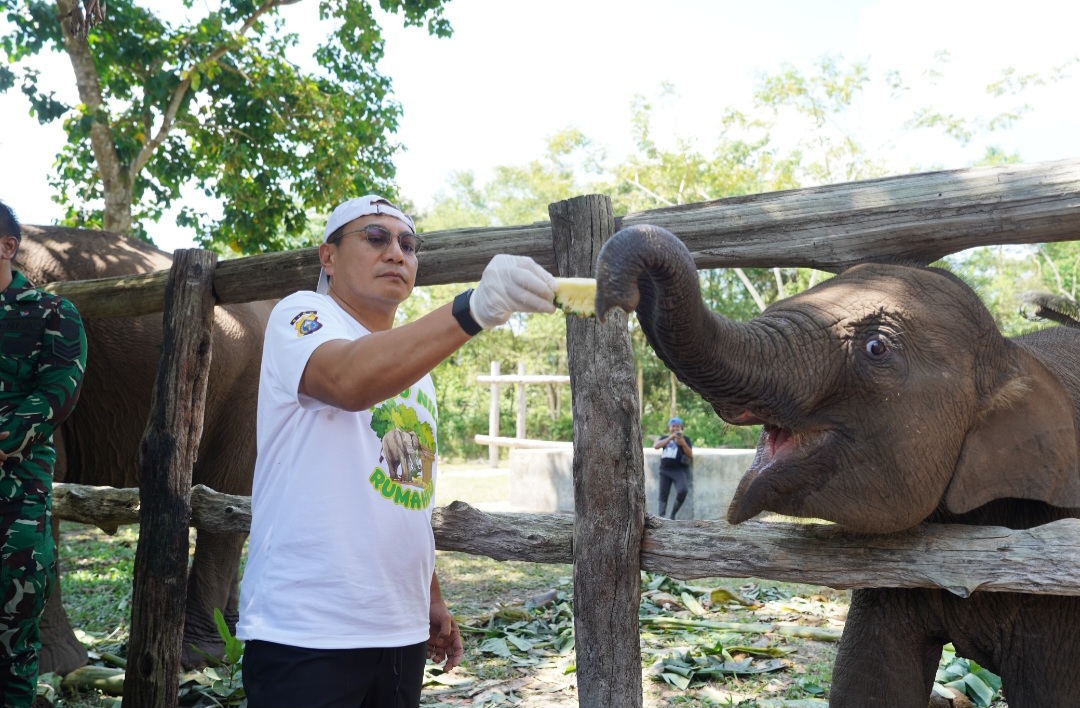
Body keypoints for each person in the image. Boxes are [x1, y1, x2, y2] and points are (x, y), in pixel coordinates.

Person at [237, 195, 558, 708]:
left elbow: (405, 492)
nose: (397, 253)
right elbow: (346, 380)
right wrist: (472, 309)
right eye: (375, 237)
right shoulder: (301, 316)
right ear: (328, 257)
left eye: (409, 245)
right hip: (309, 630)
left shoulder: (417, 371)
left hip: (398, 630)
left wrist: (428, 597)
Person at [0, 200, 86, 707]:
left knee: (14, 639)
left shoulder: (53, 315)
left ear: (8, 247)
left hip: (16, 509)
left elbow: (56, 394)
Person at [653, 416, 693, 519]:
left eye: (677, 426)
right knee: (663, 495)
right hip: (664, 470)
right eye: (673, 426)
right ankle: (661, 517)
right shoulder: (664, 438)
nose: (675, 428)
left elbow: (690, 454)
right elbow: (656, 446)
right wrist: (670, 438)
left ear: (681, 428)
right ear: (669, 428)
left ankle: (672, 515)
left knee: (683, 490)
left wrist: (683, 443)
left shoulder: (685, 439)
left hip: (678, 470)